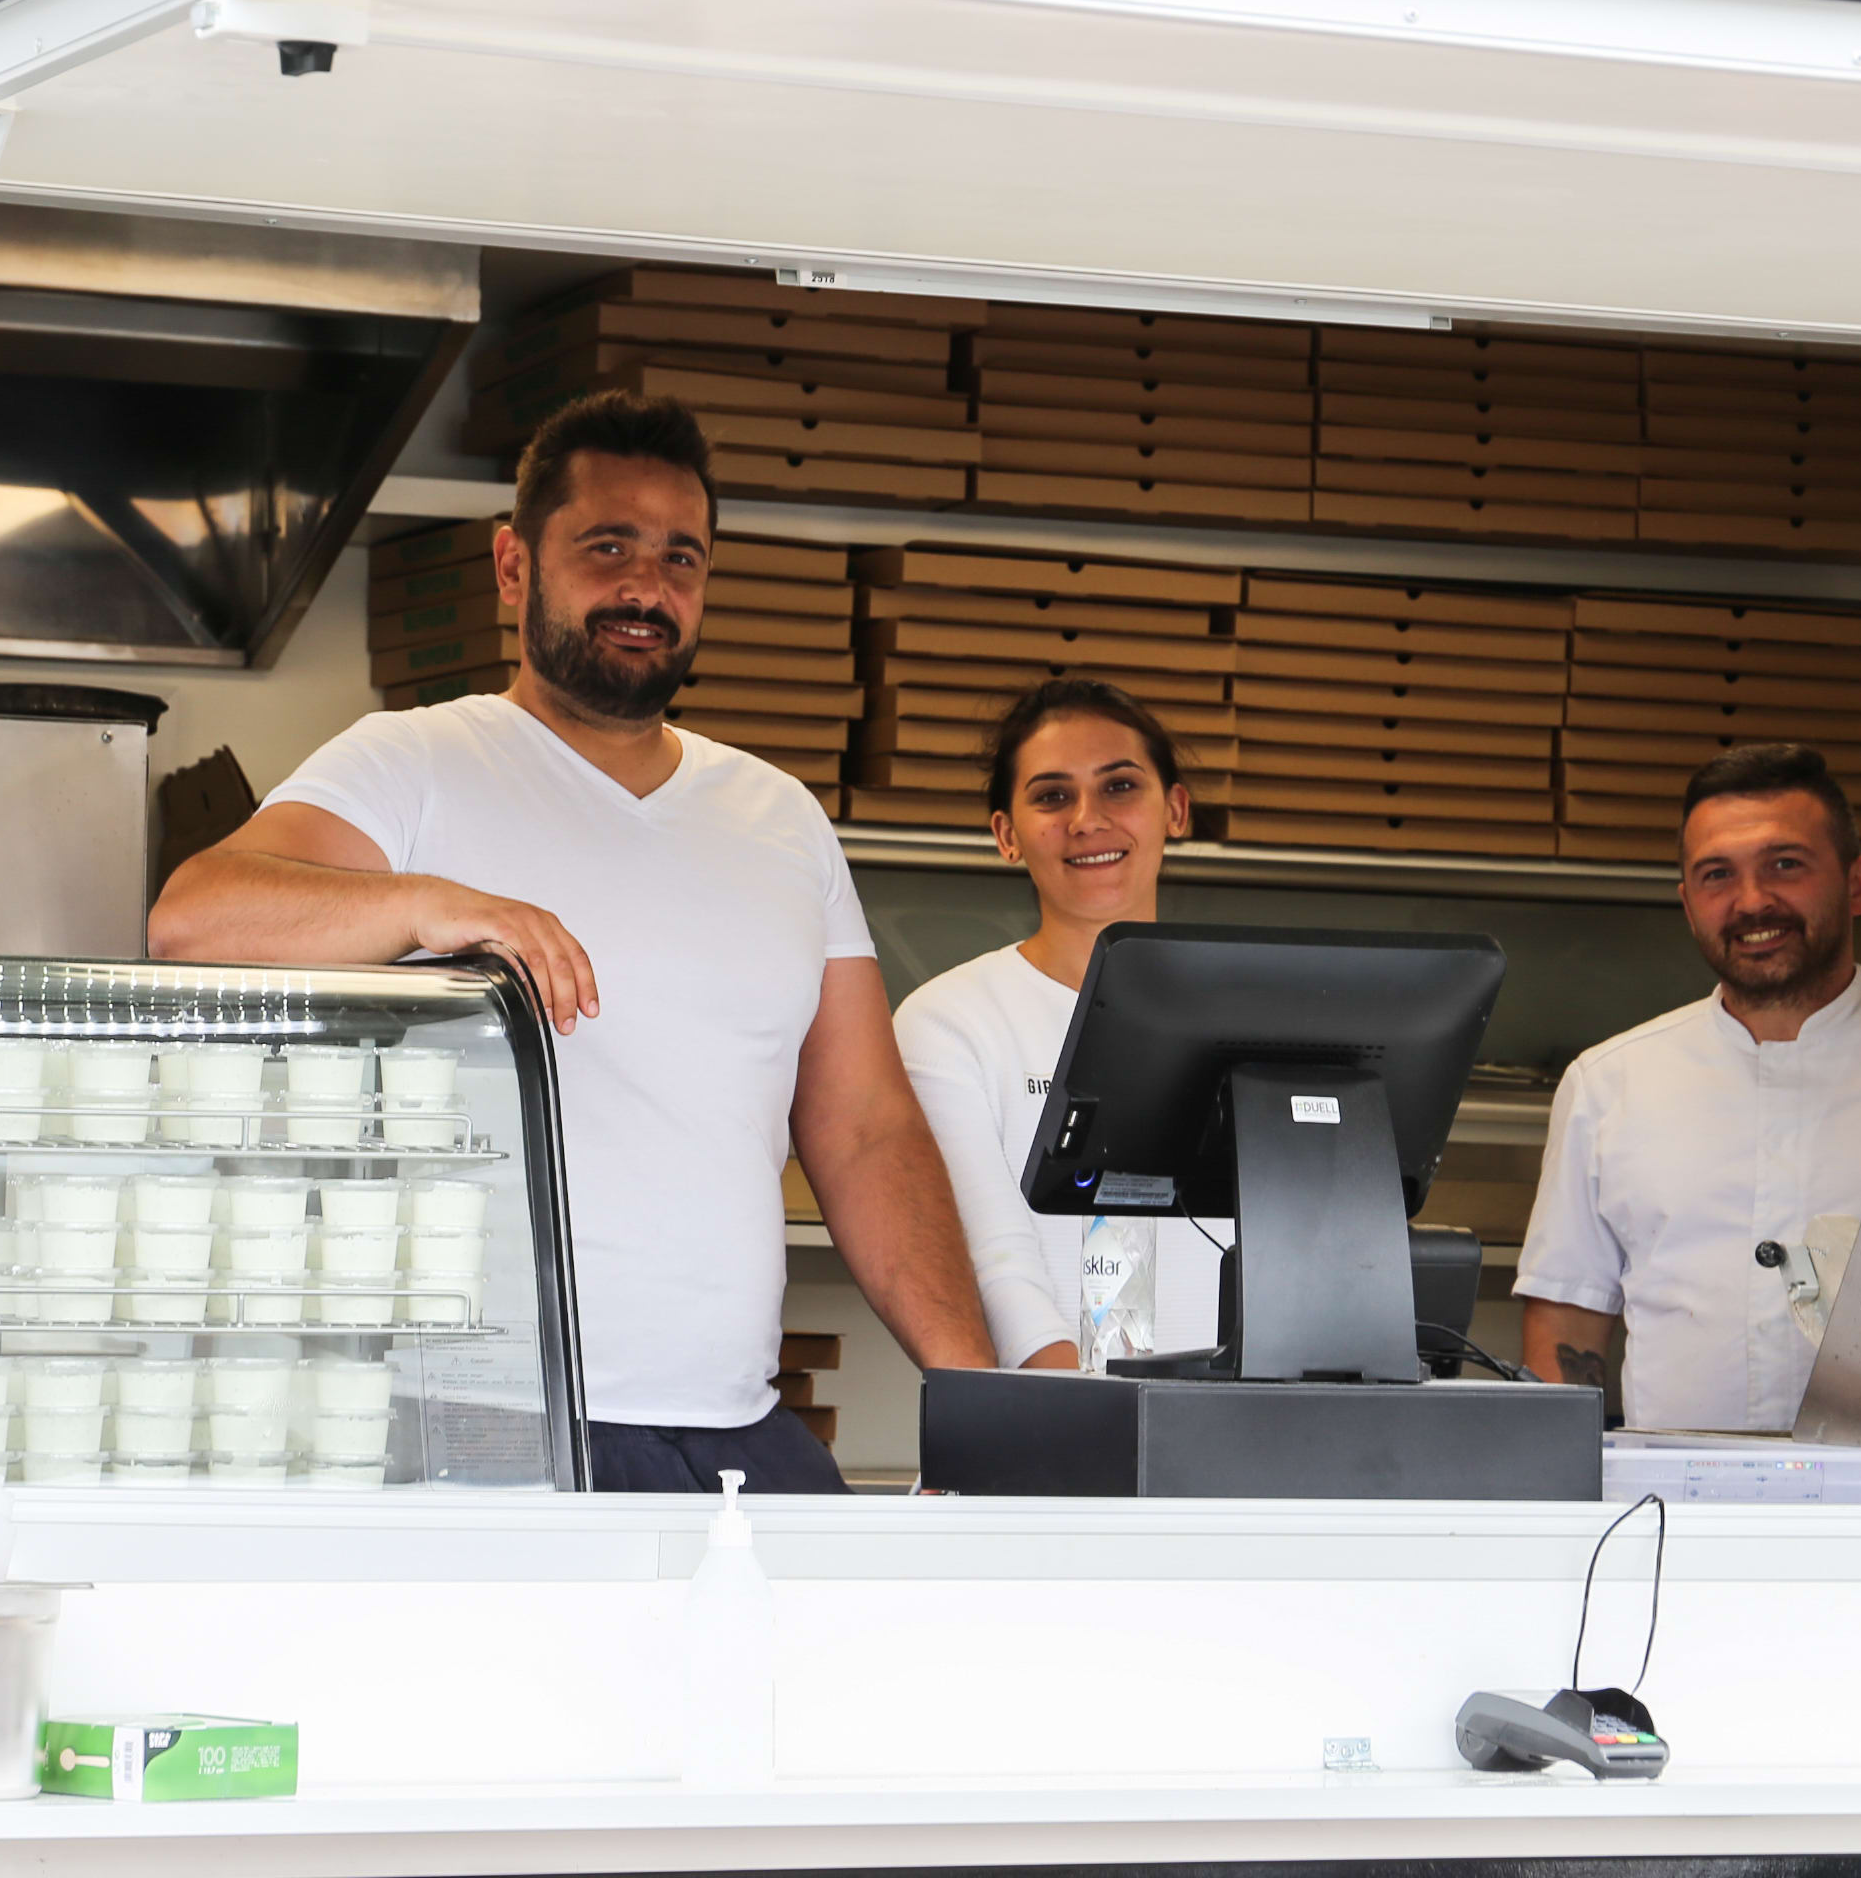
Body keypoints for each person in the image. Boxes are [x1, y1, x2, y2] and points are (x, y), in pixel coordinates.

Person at [148, 389, 996, 1489]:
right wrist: (424, 905)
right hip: (481, 1421)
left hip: (735, 1428)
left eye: (681, 558)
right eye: (608, 547)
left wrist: (981, 1399)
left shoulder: (782, 818)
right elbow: (195, 917)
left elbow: (867, 1127)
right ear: (514, 567)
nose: (647, 587)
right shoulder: (415, 761)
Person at [1515, 743, 1861, 1432]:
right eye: (1717, 875)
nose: (1752, 901)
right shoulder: (1610, 1084)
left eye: (1785, 865)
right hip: (1672, 1495)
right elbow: (1567, 1320)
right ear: (1688, 904)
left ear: (1858, 884)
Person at [895, 679, 1228, 1370]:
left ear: (1175, 810)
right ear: (1006, 835)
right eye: (1052, 796)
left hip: (1238, 1424)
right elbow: (994, 1261)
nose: (1086, 819)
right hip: (1045, 1419)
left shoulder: (1252, 1015)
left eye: (1119, 787)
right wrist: (1078, 1416)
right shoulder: (949, 1023)